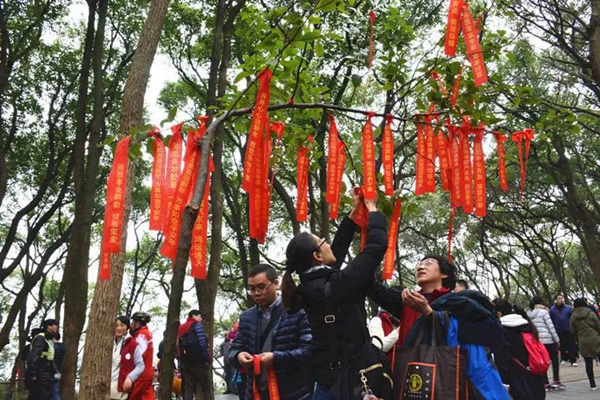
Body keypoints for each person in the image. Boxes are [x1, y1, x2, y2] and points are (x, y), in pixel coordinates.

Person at [281, 190, 388, 399]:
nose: (328, 243)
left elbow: (335, 255)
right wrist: (372, 208)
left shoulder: (308, 288)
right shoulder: (337, 285)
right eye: (323, 242)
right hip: (350, 385)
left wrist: (354, 212)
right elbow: (376, 247)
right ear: (317, 256)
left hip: (325, 384)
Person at [369, 257, 511, 399]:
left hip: (449, 381)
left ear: (444, 274)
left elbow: (483, 334)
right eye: (419, 264)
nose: (420, 267)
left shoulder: (459, 302)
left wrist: (431, 314)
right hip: (411, 379)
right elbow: (373, 288)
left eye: (428, 263)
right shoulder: (408, 302)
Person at [229, 263, 314, 399]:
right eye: (252, 289)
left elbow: (308, 350)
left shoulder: (296, 311)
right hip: (256, 393)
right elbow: (233, 349)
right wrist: (238, 356)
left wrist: (276, 358)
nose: (256, 293)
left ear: (275, 283)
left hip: (293, 392)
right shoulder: (246, 317)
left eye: (262, 287)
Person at [495, 299, 546, 400]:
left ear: (499, 313)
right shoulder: (527, 325)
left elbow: (502, 358)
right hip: (535, 373)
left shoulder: (502, 329)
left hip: (517, 378)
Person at [527, 296, 562, 391]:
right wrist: (556, 339)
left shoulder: (528, 313)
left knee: (542, 361)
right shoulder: (544, 312)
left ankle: (545, 382)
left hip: (537, 341)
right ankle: (556, 380)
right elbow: (550, 326)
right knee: (554, 360)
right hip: (548, 340)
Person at [177, 310, 211, 399]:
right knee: (206, 386)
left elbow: (179, 346)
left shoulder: (181, 328)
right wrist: (207, 358)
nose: (201, 318)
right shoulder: (197, 325)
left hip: (186, 362)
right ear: (193, 316)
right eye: (199, 316)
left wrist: (181, 361)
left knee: (189, 388)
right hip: (198, 361)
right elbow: (202, 343)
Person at [570, 298, 600, 391]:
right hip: (595, 339)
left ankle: (592, 384)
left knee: (588, 362)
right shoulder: (590, 313)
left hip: (583, 341)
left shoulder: (573, 316)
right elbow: (598, 325)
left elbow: (571, 330)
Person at [25, 319, 60, 400]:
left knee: (39, 396)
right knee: (41, 396)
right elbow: (34, 356)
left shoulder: (48, 340)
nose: (57, 327)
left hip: (45, 372)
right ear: (48, 326)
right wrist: (33, 373)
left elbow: (49, 358)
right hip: (39, 372)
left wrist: (56, 371)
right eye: (55, 325)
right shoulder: (41, 338)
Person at [127, 311, 155, 400]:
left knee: (134, 397)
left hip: (141, 374)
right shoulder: (145, 333)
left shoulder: (141, 335)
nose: (131, 324)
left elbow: (139, 354)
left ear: (138, 323)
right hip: (147, 372)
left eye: (133, 322)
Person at [111, 315, 139, 400]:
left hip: (120, 388)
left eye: (122, 325)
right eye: (116, 326)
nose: (118, 328)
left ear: (127, 327)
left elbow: (140, 365)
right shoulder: (108, 341)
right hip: (106, 386)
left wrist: (130, 378)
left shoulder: (132, 344)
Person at [549, 294, 578, 366]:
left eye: (562, 298)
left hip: (568, 329)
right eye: (559, 298)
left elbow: (572, 318)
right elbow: (551, 319)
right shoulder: (552, 309)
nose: (560, 299)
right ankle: (564, 358)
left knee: (571, 344)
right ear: (556, 300)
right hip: (558, 329)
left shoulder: (568, 308)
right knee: (561, 345)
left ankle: (573, 360)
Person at [51, 332, 65, 400]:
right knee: (55, 392)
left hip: (50, 371)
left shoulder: (51, 347)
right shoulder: (62, 347)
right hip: (57, 372)